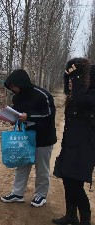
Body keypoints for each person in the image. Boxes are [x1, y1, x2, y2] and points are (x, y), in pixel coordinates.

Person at [0, 69, 57, 207]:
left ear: (22, 83)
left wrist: (28, 116)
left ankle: (40, 195)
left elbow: (49, 114)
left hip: (44, 138)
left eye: (14, 86)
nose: (13, 89)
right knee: (22, 165)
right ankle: (17, 193)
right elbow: (18, 113)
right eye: (11, 87)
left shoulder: (43, 95)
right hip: (25, 138)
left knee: (42, 168)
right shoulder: (17, 98)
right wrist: (13, 119)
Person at [52, 58, 95, 225]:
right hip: (70, 146)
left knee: (76, 185)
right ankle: (71, 215)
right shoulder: (74, 99)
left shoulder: (90, 97)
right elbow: (72, 94)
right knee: (67, 180)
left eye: (75, 79)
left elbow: (82, 99)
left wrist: (77, 75)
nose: (71, 82)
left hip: (85, 149)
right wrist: (69, 74)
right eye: (70, 79)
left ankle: (85, 219)